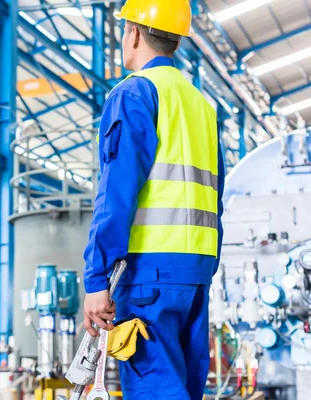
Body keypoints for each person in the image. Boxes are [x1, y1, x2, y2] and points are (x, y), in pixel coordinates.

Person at [82, 0, 225, 399]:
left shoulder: (135, 94)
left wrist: (97, 278)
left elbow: (116, 195)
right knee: (184, 388)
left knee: (156, 389)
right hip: (195, 275)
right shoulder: (201, 107)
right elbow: (217, 196)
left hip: (149, 276)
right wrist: (205, 266)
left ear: (133, 33)